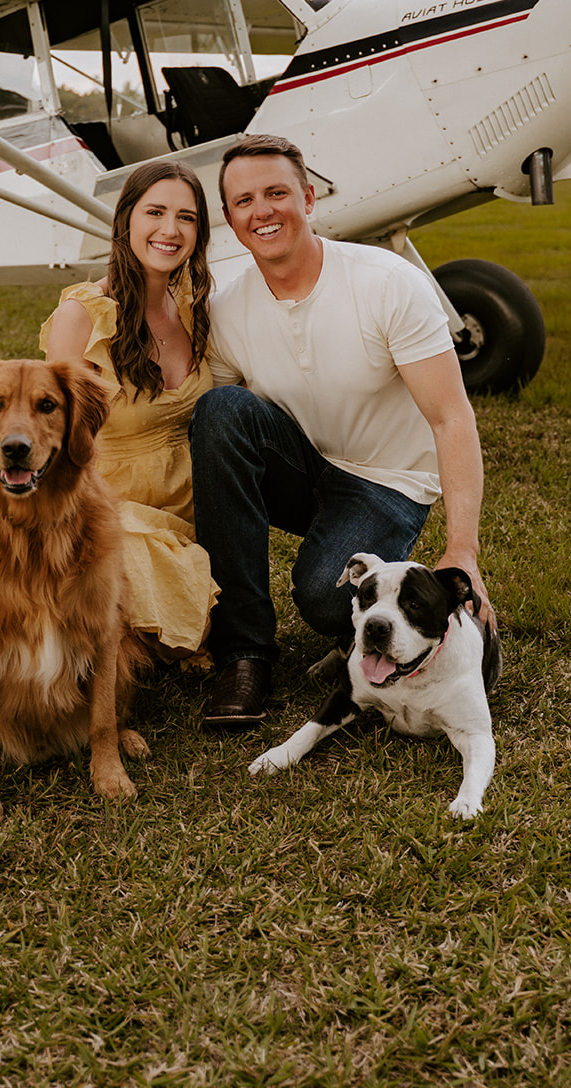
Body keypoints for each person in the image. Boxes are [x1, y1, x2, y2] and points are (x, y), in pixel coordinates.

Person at [189, 132, 493, 726]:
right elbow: (229, 436)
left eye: (277, 192)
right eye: (245, 201)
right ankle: (244, 655)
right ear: (229, 218)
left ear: (308, 197)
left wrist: (462, 553)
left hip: (386, 480)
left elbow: (451, 417)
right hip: (306, 465)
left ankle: (348, 624)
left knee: (328, 600)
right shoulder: (226, 309)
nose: (263, 210)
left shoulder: (386, 282)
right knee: (220, 409)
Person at [40, 159, 218, 663]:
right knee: (132, 573)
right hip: (114, 506)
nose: (170, 229)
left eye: (186, 217)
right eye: (155, 212)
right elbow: (53, 434)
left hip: (193, 505)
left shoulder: (195, 306)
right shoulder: (82, 315)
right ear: (126, 222)